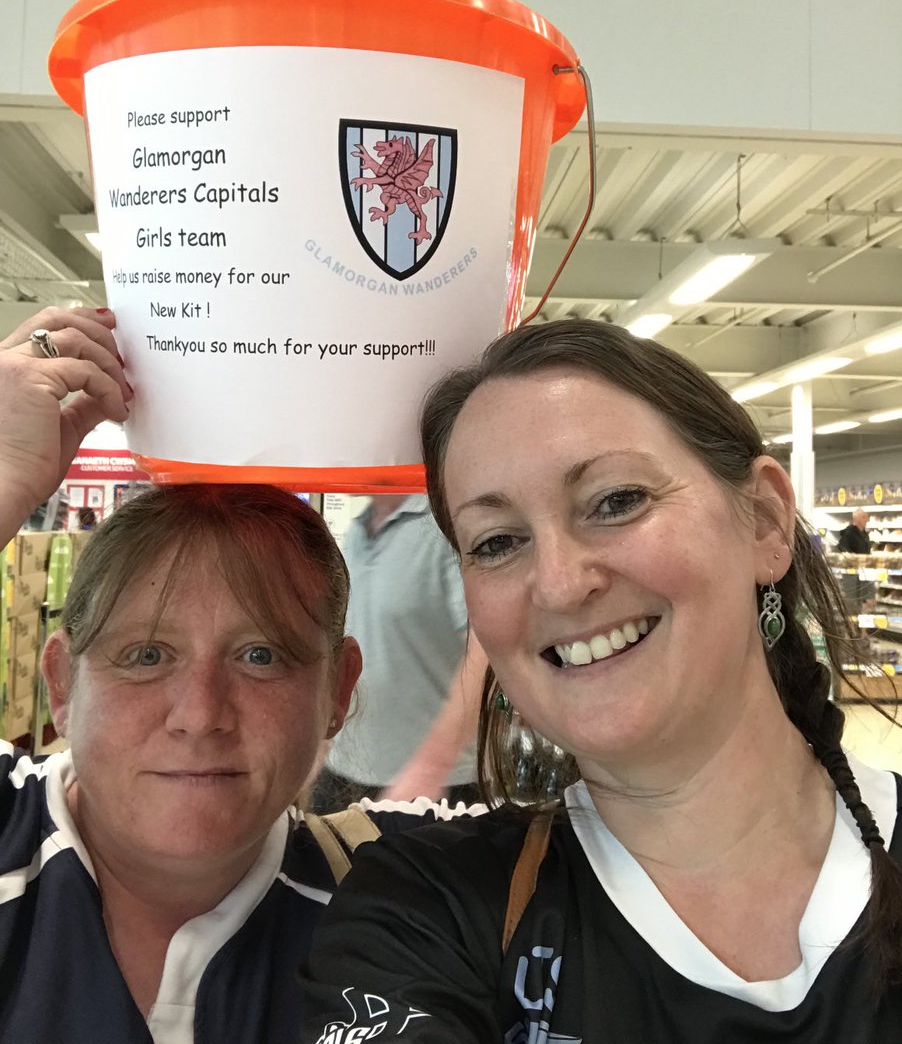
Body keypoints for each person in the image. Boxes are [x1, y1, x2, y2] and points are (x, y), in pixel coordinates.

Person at [302, 319, 902, 1042]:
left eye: (616, 501)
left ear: (767, 523)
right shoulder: (424, 912)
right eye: (497, 543)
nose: (557, 585)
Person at [0, 307, 473, 1043]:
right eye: (146, 656)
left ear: (337, 694)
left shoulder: (408, 902)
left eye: (262, 656)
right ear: (62, 685)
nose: (200, 714)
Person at [315, 493, 483, 809]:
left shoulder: (442, 527)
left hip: (430, 785)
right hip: (343, 774)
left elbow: (485, 652)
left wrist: (432, 765)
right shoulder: (357, 531)